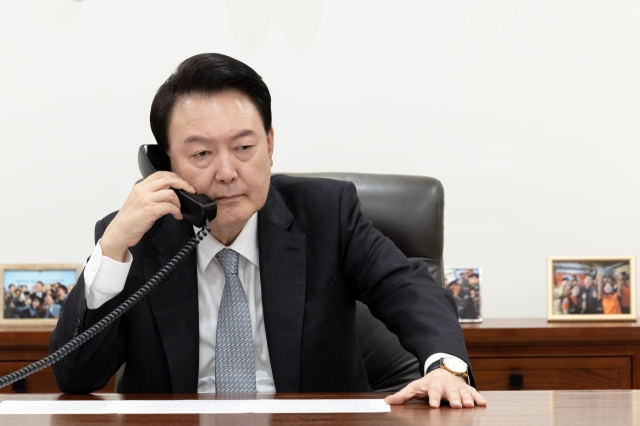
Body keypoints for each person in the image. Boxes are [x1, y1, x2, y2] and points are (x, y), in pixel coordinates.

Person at [50, 53, 485, 409]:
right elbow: (75, 377)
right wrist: (110, 250)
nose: (226, 173)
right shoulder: (134, 237)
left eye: (243, 148)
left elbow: (407, 286)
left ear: (270, 145)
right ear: (164, 165)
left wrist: (445, 366)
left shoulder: (326, 214)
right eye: (201, 153)